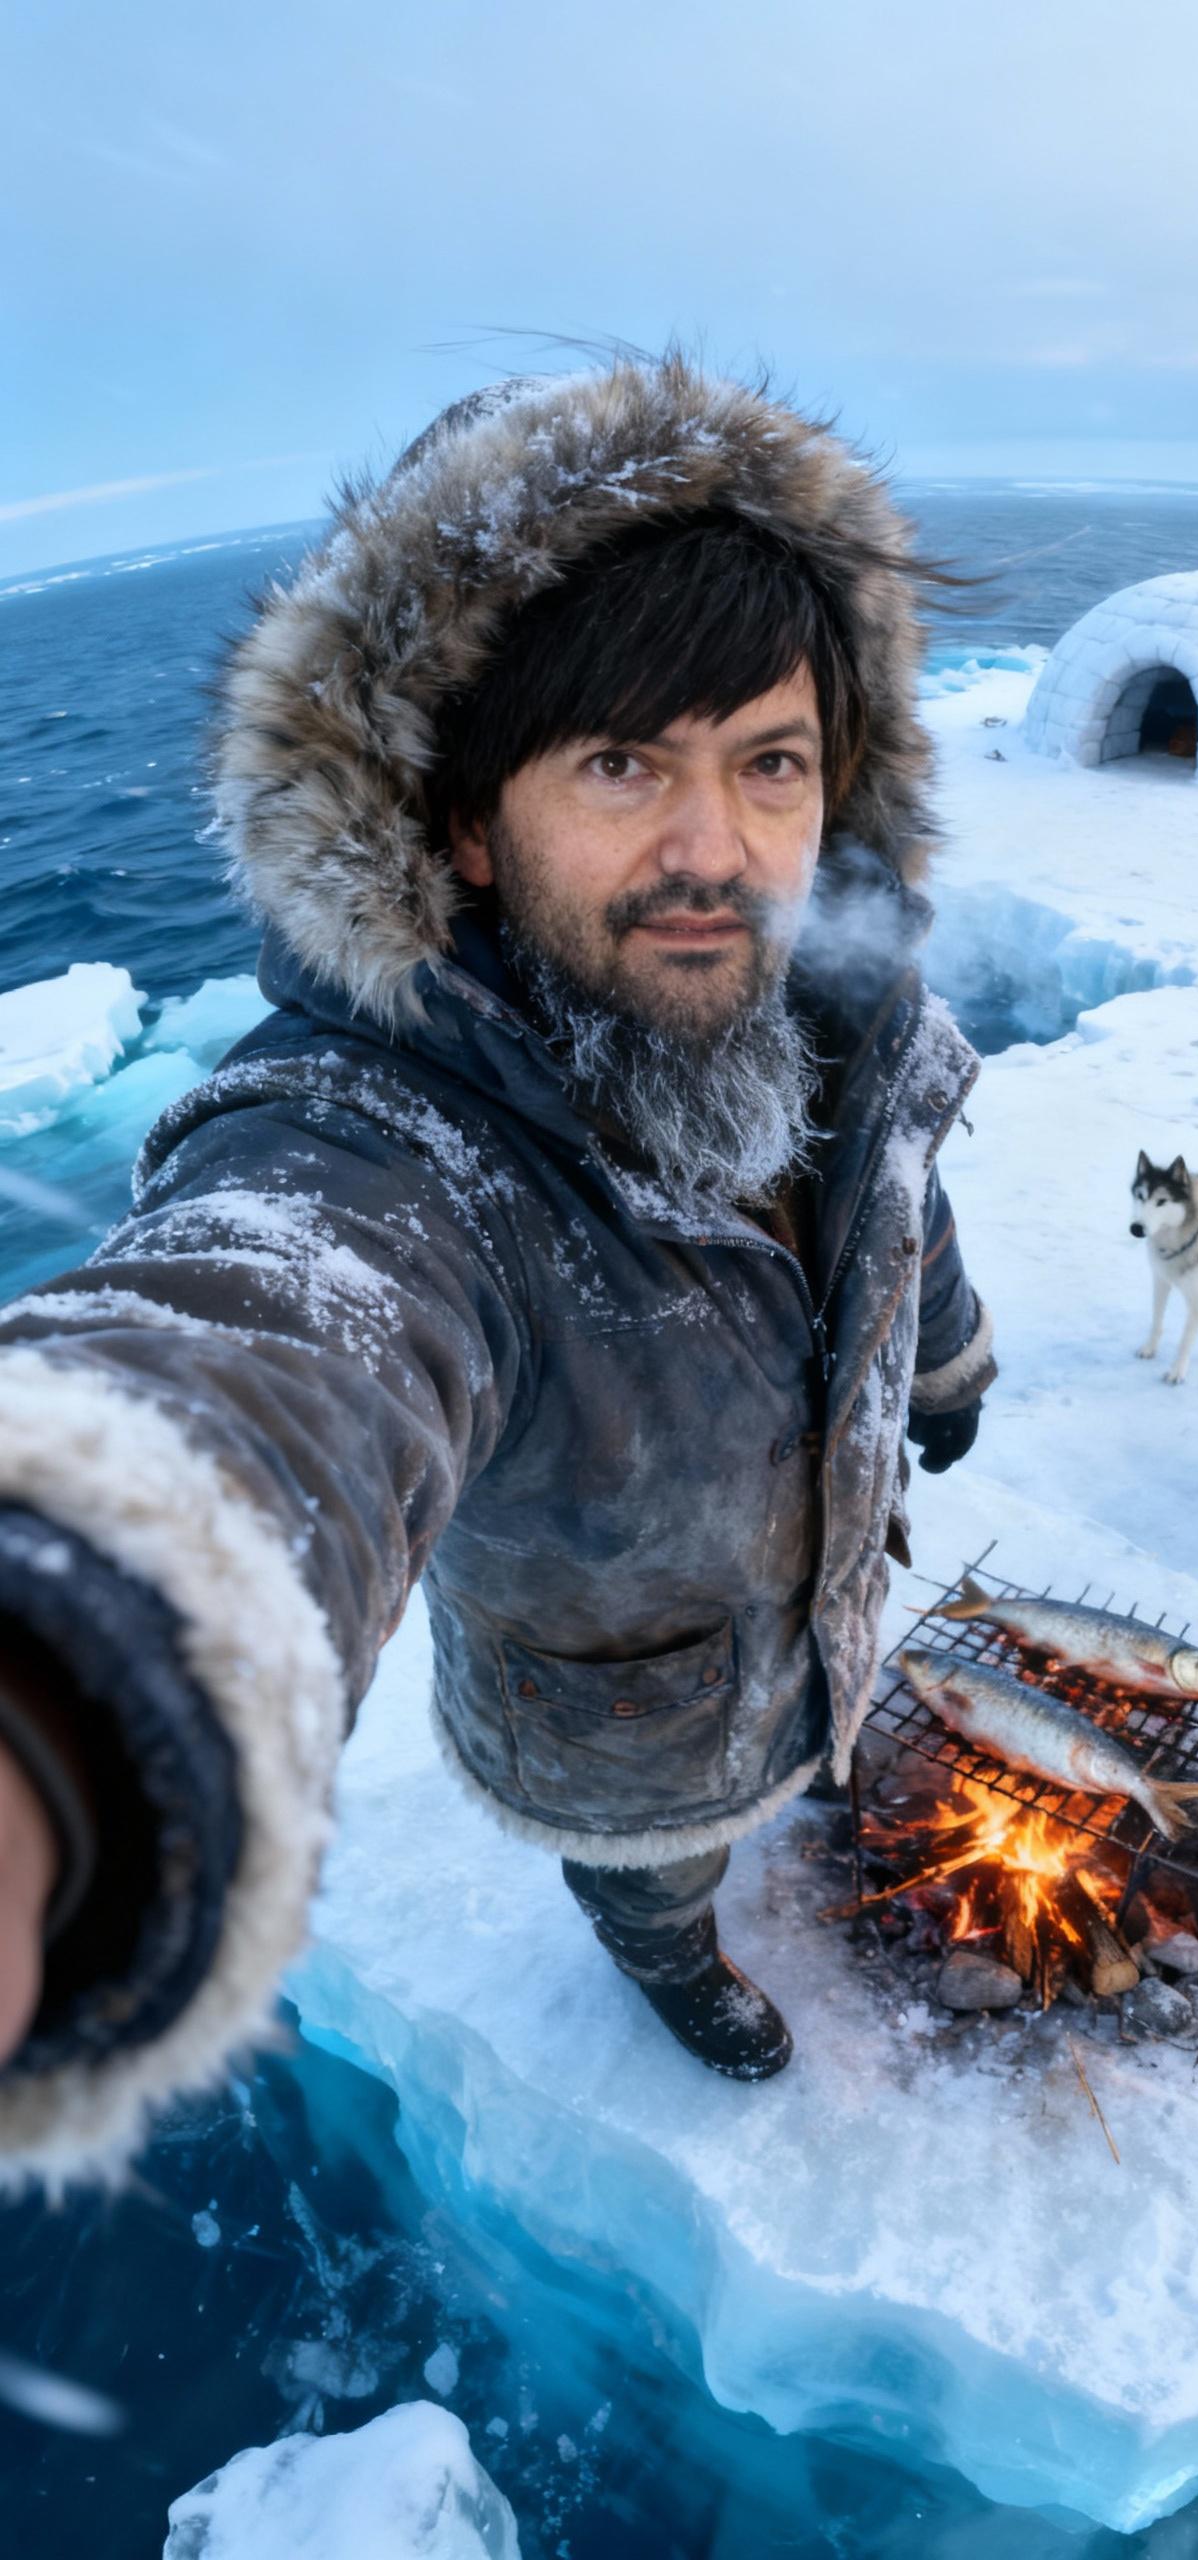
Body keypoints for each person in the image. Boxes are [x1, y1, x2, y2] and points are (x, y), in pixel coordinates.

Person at [0, 357, 994, 2185]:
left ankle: (812, 1746)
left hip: (820, 1582)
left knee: (824, 1724)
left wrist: (945, 1367)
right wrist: (66, 1676)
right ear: (460, 819)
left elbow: (900, 1215)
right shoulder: (388, 1139)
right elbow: (266, 1335)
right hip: (624, 1721)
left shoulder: (848, 1026)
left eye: (768, 764)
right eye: (622, 763)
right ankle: (668, 1959)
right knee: (658, 1868)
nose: (712, 852)